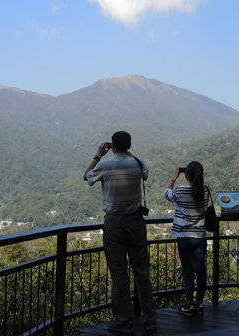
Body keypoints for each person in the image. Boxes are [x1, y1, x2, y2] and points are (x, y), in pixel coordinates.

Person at [83, 131, 157, 334]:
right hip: (136, 222)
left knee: (119, 274)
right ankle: (151, 319)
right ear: (129, 146)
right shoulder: (137, 164)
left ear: (112, 146)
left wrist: (98, 155)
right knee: (142, 272)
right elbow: (145, 173)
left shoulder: (104, 165)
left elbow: (85, 176)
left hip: (114, 223)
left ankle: (124, 321)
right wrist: (128, 153)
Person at [164, 161, 210, 315]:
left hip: (184, 237)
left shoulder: (181, 191)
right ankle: (199, 304)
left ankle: (189, 304)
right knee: (201, 271)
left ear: (187, 176)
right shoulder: (206, 191)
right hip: (200, 236)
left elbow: (167, 194)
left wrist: (173, 178)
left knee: (188, 271)